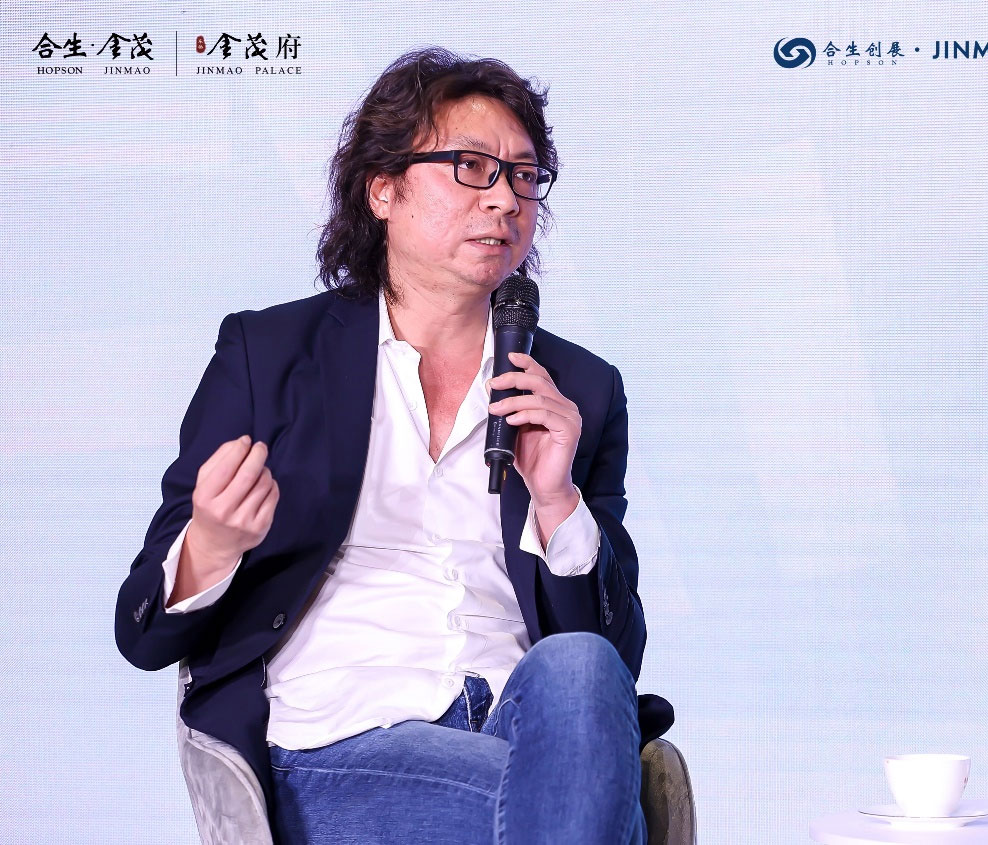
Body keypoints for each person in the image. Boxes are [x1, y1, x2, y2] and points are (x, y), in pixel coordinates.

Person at [114, 46, 671, 844]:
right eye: (471, 167)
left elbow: (616, 656)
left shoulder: (578, 387)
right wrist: (211, 542)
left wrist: (557, 503)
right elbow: (141, 631)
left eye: (524, 176)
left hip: (520, 718)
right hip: (339, 742)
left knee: (581, 669)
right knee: (583, 804)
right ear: (383, 189)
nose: (505, 199)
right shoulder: (271, 356)